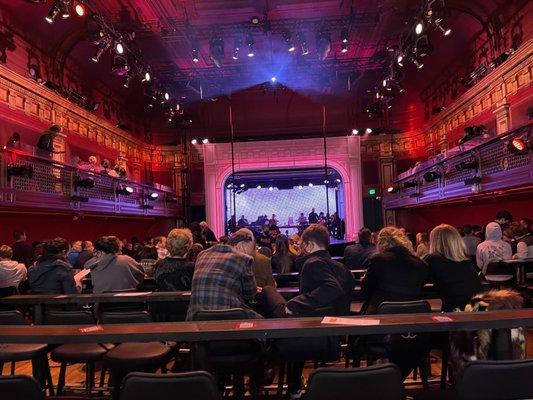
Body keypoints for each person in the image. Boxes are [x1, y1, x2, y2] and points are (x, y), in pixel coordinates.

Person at [259, 224, 355, 396]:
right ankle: (292, 385)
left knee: (267, 292)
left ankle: (275, 375)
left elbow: (332, 288)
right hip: (334, 337)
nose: (301, 249)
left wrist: (295, 304)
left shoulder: (312, 263)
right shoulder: (344, 269)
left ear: (310, 245)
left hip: (313, 334)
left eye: (302, 245)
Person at [186, 229, 260, 320]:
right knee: (264, 323)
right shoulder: (244, 258)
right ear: (242, 244)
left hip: (196, 317)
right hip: (229, 315)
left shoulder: (202, 255)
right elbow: (250, 295)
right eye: (252, 248)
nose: (253, 252)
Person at [361, 226, 429, 315]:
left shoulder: (378, 259)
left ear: (381, 242)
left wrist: (363, 280)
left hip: (381, 311)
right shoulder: (422, 264)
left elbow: (366, 288)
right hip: (414, 312)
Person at [425, 225, 482, 312]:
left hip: (456, 310)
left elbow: (419, 279)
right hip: (477, 307)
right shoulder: (465, 259)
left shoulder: (433, 259)